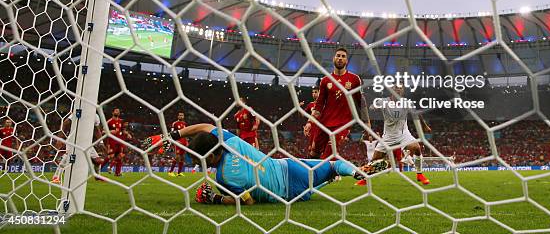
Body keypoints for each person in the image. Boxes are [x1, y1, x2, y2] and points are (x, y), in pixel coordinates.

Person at [142, 123, 390, 205]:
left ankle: (340, 176)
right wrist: (174, 137)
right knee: (334, 166)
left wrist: (214, 200)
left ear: (212, 157)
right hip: (289, 167)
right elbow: (205, 127)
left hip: (287, 194)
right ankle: (358, 171)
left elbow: (246, 201)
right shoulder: (231, 141)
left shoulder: (224, 178)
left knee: (312, 189)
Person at [304, 48, 370, 159]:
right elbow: (319, 104)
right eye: (338, 56)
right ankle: (311, 174)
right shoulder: (326, 80)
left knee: (330, 151)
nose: (340, 58)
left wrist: (367, 123)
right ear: (333, 58)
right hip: (325, 122)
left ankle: (329, 175)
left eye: (343, 56)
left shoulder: (354, 79)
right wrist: (310, 122)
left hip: (343, 123)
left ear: (347, 61)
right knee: (314, 153)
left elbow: (361, 102)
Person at [361, 85, 431, 186]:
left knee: (416, 147)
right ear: (391, 90)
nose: (398, 89)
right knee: (375, 159)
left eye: (400, 88)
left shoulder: (407, 102)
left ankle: (420, 174)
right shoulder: (383, 101)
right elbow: (373, 105)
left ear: (403, 91)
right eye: (395, 88)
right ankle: (365, 179)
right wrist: (373, 107)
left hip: (403, 134)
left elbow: (416, 114)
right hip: (388, 136)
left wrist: (424, 126)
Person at [52, 113, 106, 183]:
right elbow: (65, 123)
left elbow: (97, 130)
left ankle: (97, 176)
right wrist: (60, 138)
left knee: (98, 161)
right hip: (73, 140)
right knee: (68, 157)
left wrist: (101, 142)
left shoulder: (95, 116)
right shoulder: (80, 111)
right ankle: (56, 176)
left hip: (86, 142)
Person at [169, 112, 188, 177]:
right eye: (180, 115)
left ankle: (179, 172)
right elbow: (171, 133)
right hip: (178, 141)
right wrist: (175, 141)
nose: (181, 116)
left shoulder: (184, 123)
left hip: (184, 142)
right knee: (177, 157)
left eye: (182, 115)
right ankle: (170, 172)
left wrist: (186, 141)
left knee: (182, 157)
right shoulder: (175, 123)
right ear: (178, 116)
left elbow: (186, 132)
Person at [303, 88, 320, 156]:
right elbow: (305, 114)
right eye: (313, 92)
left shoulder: (326, 103)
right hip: (313, 127)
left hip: (321, 127)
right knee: (311, 149)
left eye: (316, 92)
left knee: (315, 148)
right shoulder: (311, 104)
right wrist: (308, 124)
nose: (314, 94)